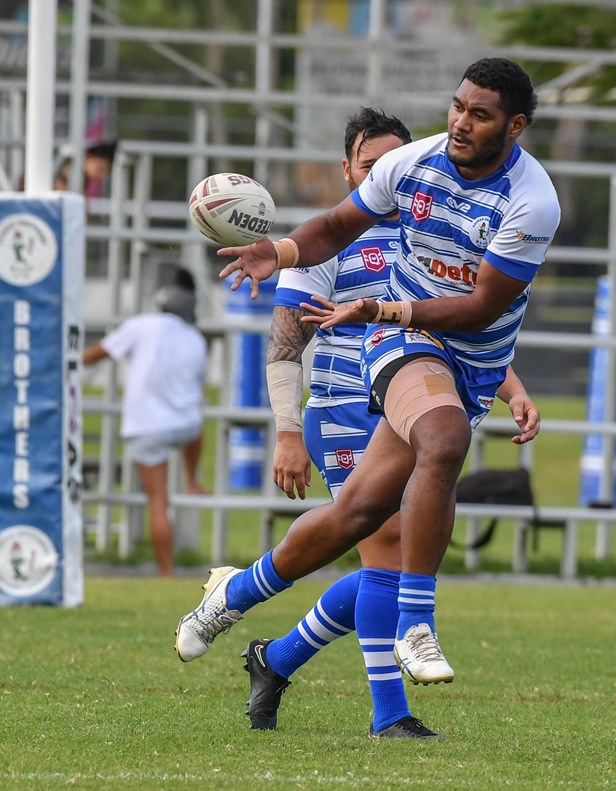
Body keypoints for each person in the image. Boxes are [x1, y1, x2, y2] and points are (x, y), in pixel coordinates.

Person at [176, 57, 560, 691]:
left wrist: (508, 384)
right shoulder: (411, 166)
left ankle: (233, 594)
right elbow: (332, 227)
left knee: (357, 513)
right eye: (458, 106)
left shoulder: (531, 202)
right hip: (398, 346)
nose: (461, 122)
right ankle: (416, 625)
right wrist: (281, 251)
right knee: (443, 444)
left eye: (480, 114)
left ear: (515, 126)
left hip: (470, 357)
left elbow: (485, 307)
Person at [242, 107, 541, 739]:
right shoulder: (325, 242)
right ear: (347, 169)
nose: (383, 173)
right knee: (387, 557)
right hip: (342, 408)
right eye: (369, 164)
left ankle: (274, 655)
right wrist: (287, 430)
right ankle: (389, 713)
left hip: (409, 395)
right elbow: (285, 343)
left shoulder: (420, 231)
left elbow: (462, 319)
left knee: (392, 560)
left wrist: (510, 385)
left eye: (391, 163)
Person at [83, 267, 209, 577]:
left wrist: (66, 358)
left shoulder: (141, 325)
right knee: (195, 425)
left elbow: (95, 355)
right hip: (186, 425)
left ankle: (166, 572)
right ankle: (193, 481)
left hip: (147, 427)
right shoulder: (196, 338)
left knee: (158, 502)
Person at [53, 140, 118, 195]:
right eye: (100, 169)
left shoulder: (83, 180)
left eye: (106, 172)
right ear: (88, 156)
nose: (101, 176)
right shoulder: (69, 173)